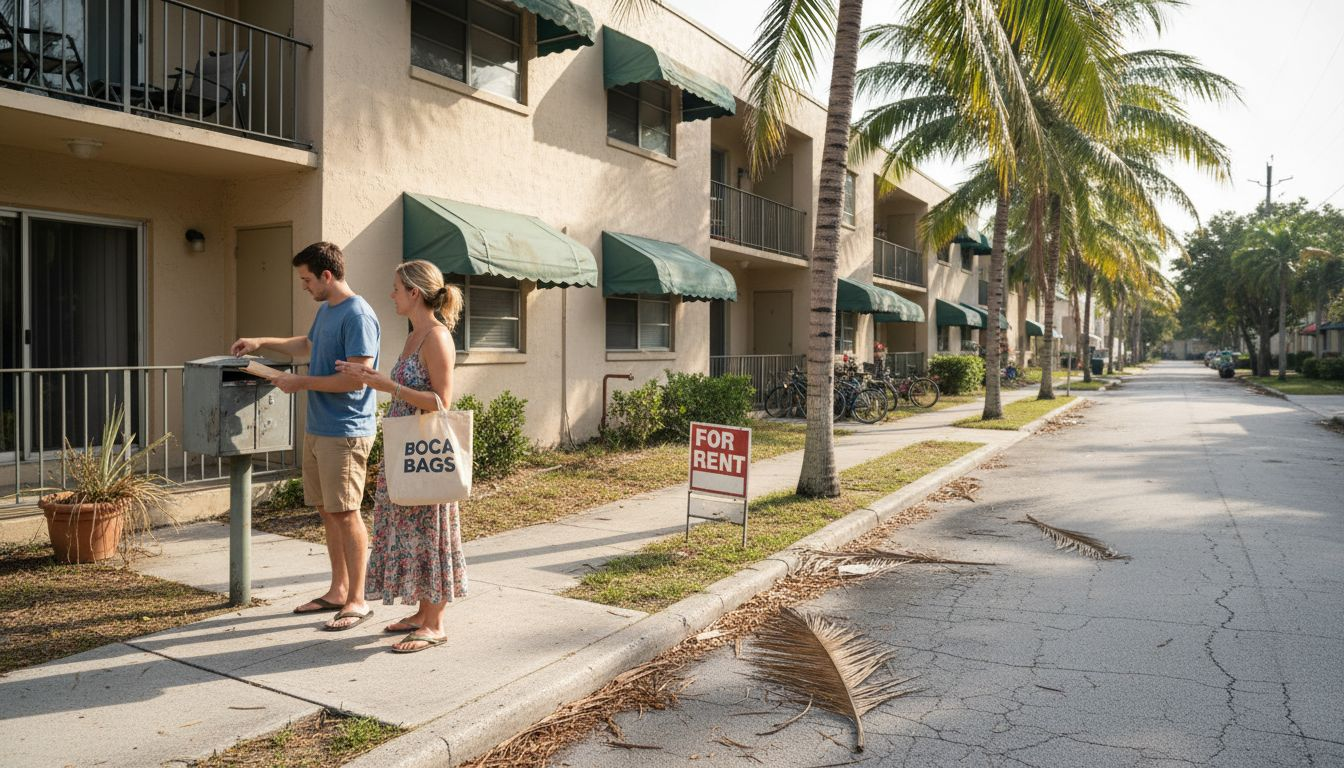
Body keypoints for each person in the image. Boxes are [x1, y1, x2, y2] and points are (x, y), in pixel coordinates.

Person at [230, 241, 381, 631]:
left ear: (327, 276)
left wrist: (301, 382)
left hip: (345, 431)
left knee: (347, 513)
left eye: (307, 280)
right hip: (319, 429)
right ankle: (337, 590)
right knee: (327, 511)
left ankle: (357, 600)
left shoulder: (358, 315)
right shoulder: (327, 310)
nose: (304, 286)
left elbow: (355, 379)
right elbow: (308, 345)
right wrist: (262, 342)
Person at [335, 260, 467, 653]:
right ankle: (420, 614)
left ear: (414, 293)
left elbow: (441, 402)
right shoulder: (414, 335)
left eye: (395, 288)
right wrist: (370, 380)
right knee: (411, 534)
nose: (390, 295)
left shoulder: (437, 337)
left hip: (425, 453)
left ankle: (436, 623)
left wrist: (387, 385)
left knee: (431, 533)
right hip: (406, 451)